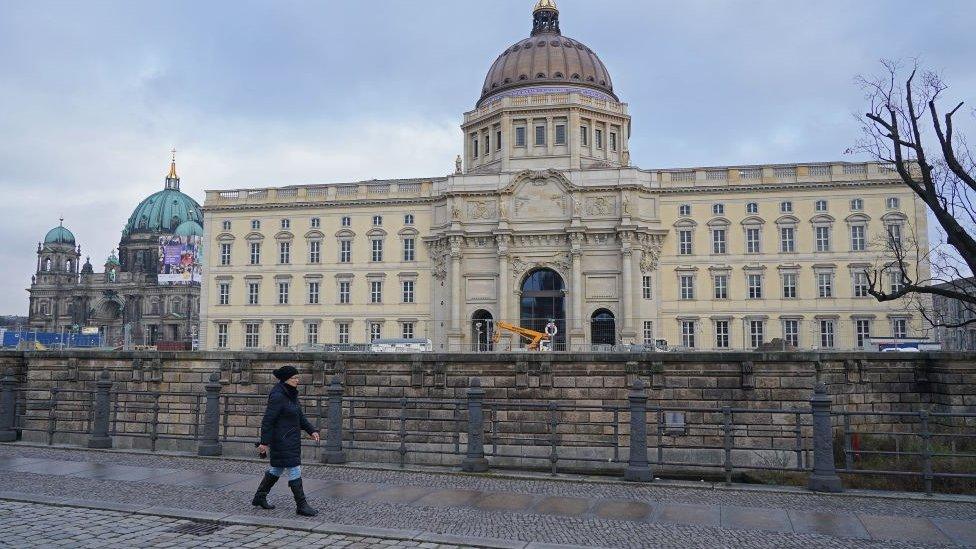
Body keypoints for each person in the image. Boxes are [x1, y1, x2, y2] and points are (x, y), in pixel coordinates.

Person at [251, 365, 321, 516]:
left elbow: (300, 417)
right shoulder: (278, 396)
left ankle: (259, 497)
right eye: (294, 378)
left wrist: (312, 430)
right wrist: (264, 442)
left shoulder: (291, 395)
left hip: (290, 439)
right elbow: (268, 420)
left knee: (277, 468)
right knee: (294, 468)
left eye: (297, 378)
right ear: (285, 380)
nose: (297, 381)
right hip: (282, 440)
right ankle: (301, 505)